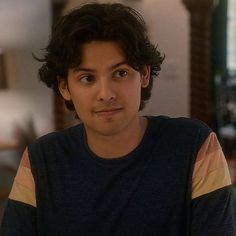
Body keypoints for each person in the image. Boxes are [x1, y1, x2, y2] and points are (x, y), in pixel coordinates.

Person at [1, 3, 236, 236]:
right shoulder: (41, 159)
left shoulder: (195, 145)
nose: (106, 94)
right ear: (65, 88)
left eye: (120, 73)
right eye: (87, 78)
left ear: (143, 75)